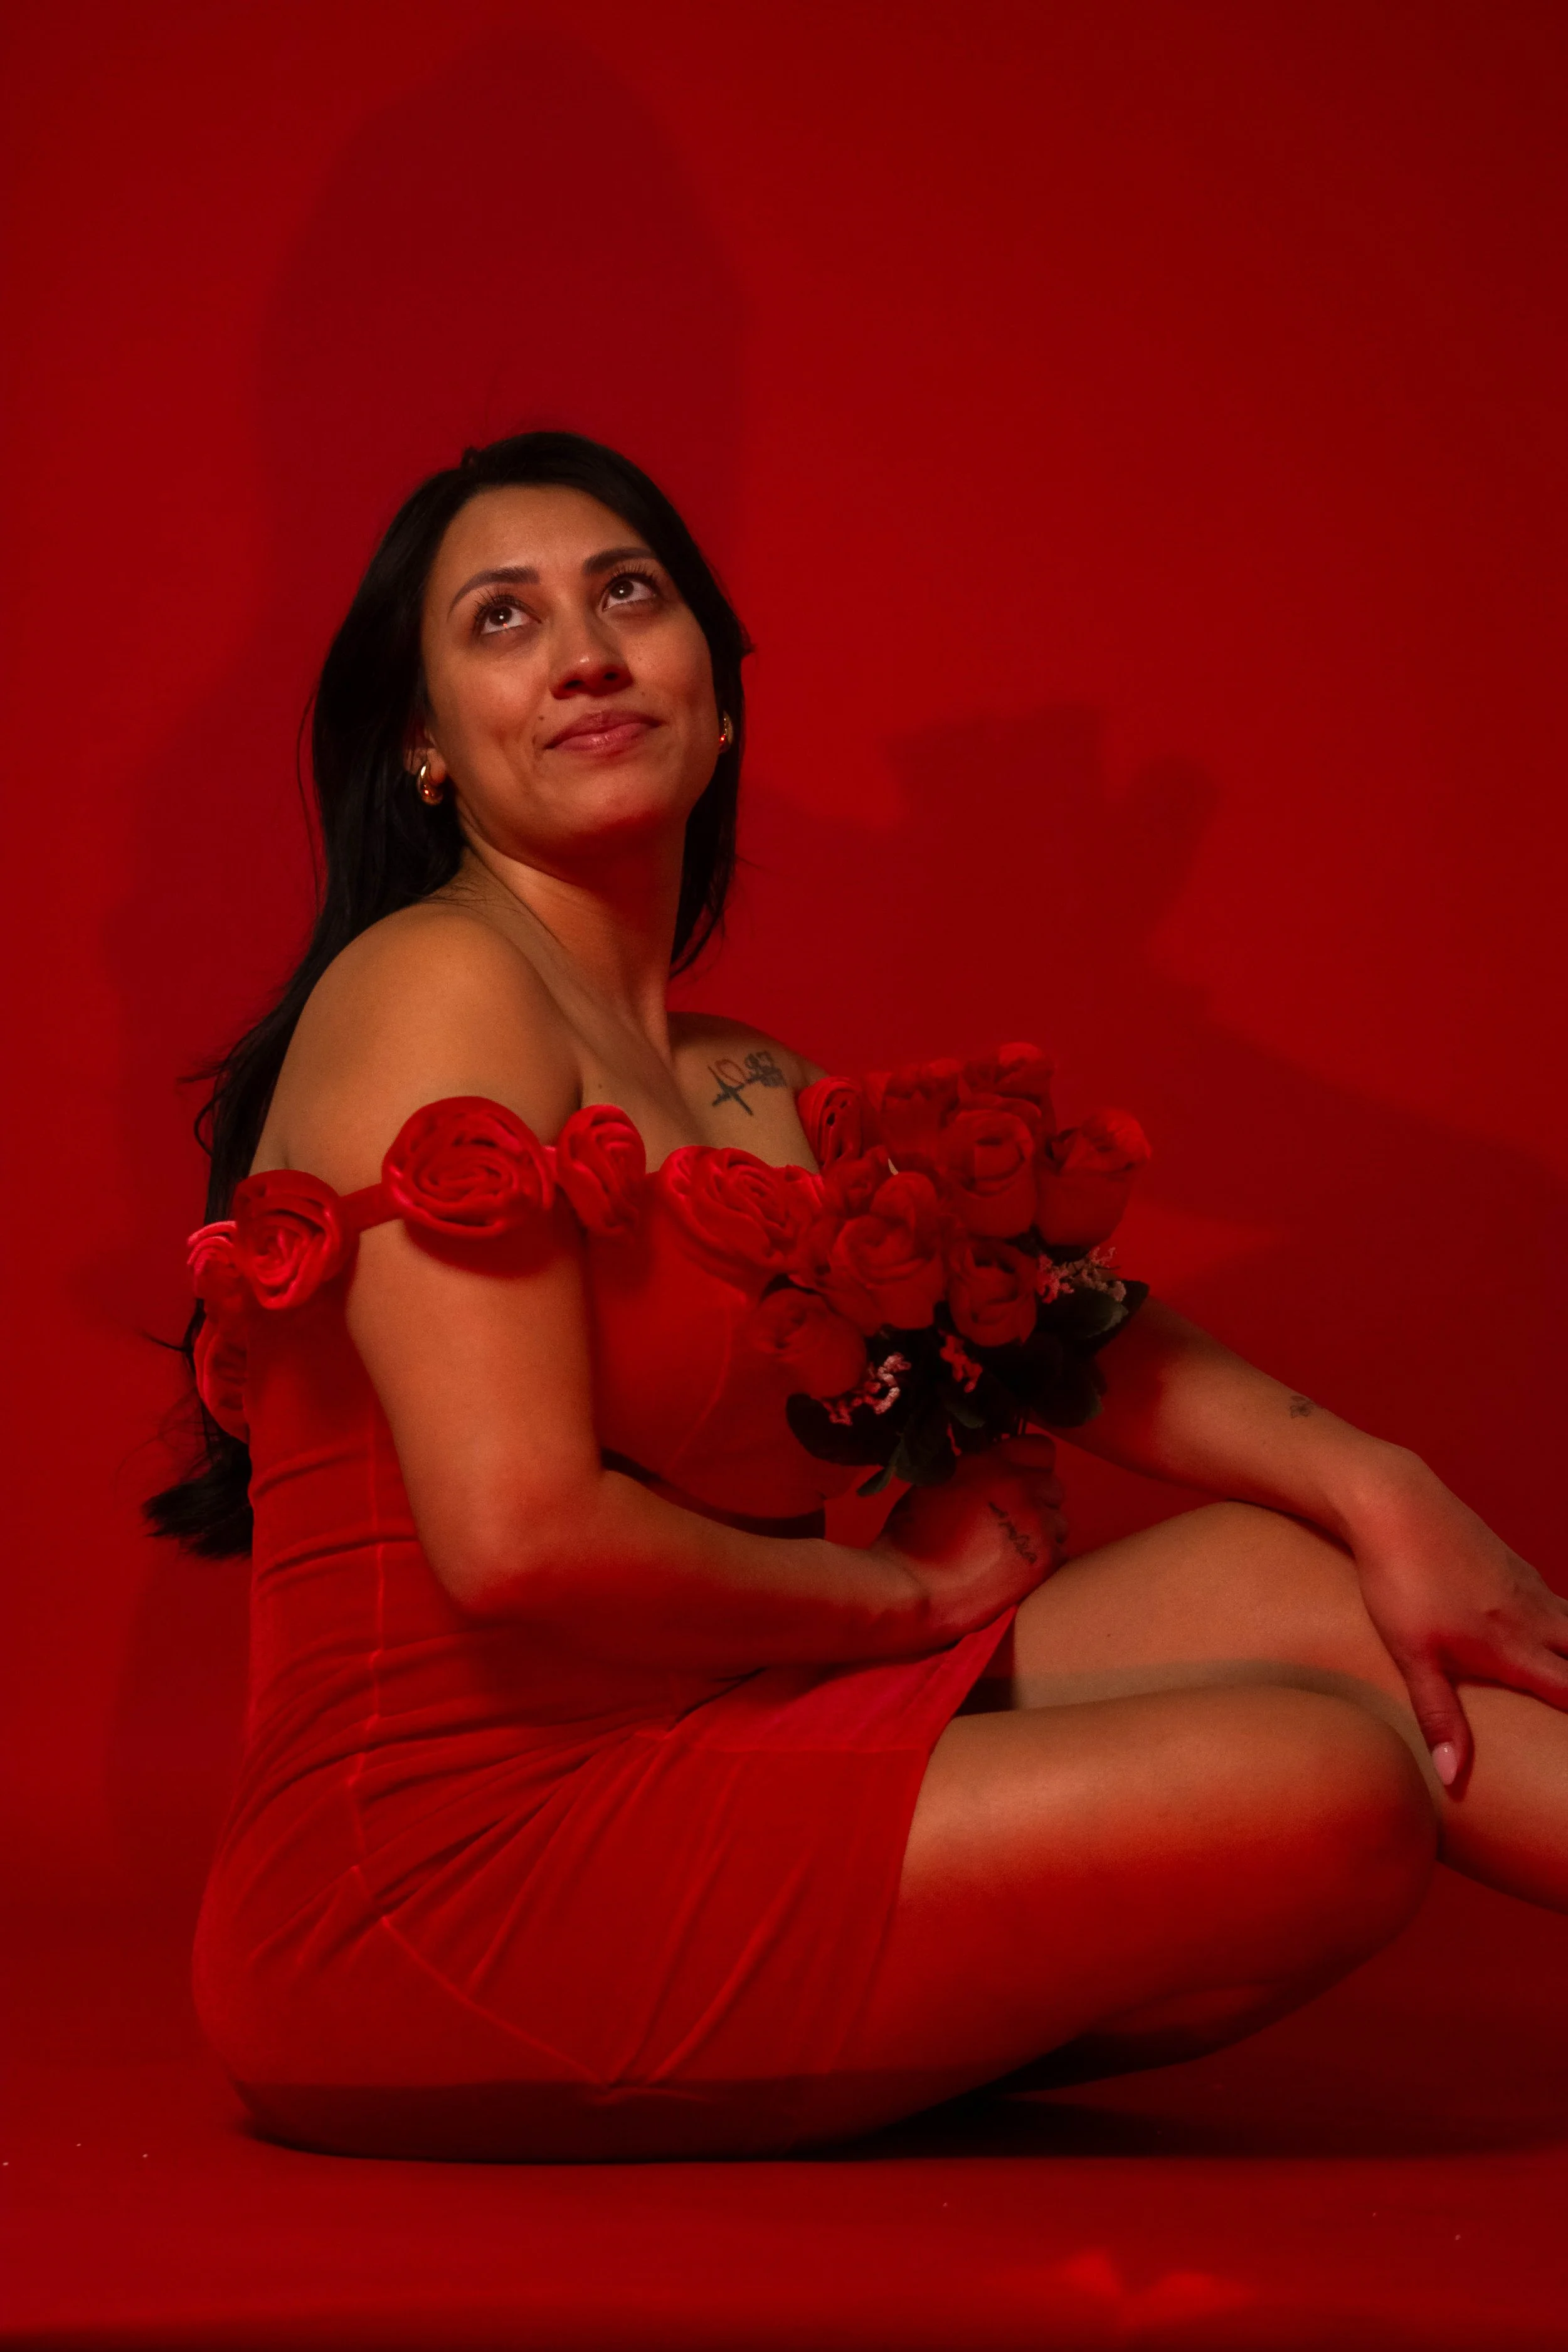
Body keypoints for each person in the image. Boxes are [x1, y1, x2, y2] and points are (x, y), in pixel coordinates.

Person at [151, 430, 1568, 2162]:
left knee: (1308, 1573)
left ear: (719, 698)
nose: (585, 649)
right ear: (427, 749)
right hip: (438, 1881)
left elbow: (1062, 1333)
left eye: (626, 594)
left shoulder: (744, 1086)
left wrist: (1375, 1476)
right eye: (502, 620)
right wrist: (891, 1599)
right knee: (1333, 1777)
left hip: (706, 1747)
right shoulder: (429, 985)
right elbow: (516, 1538)